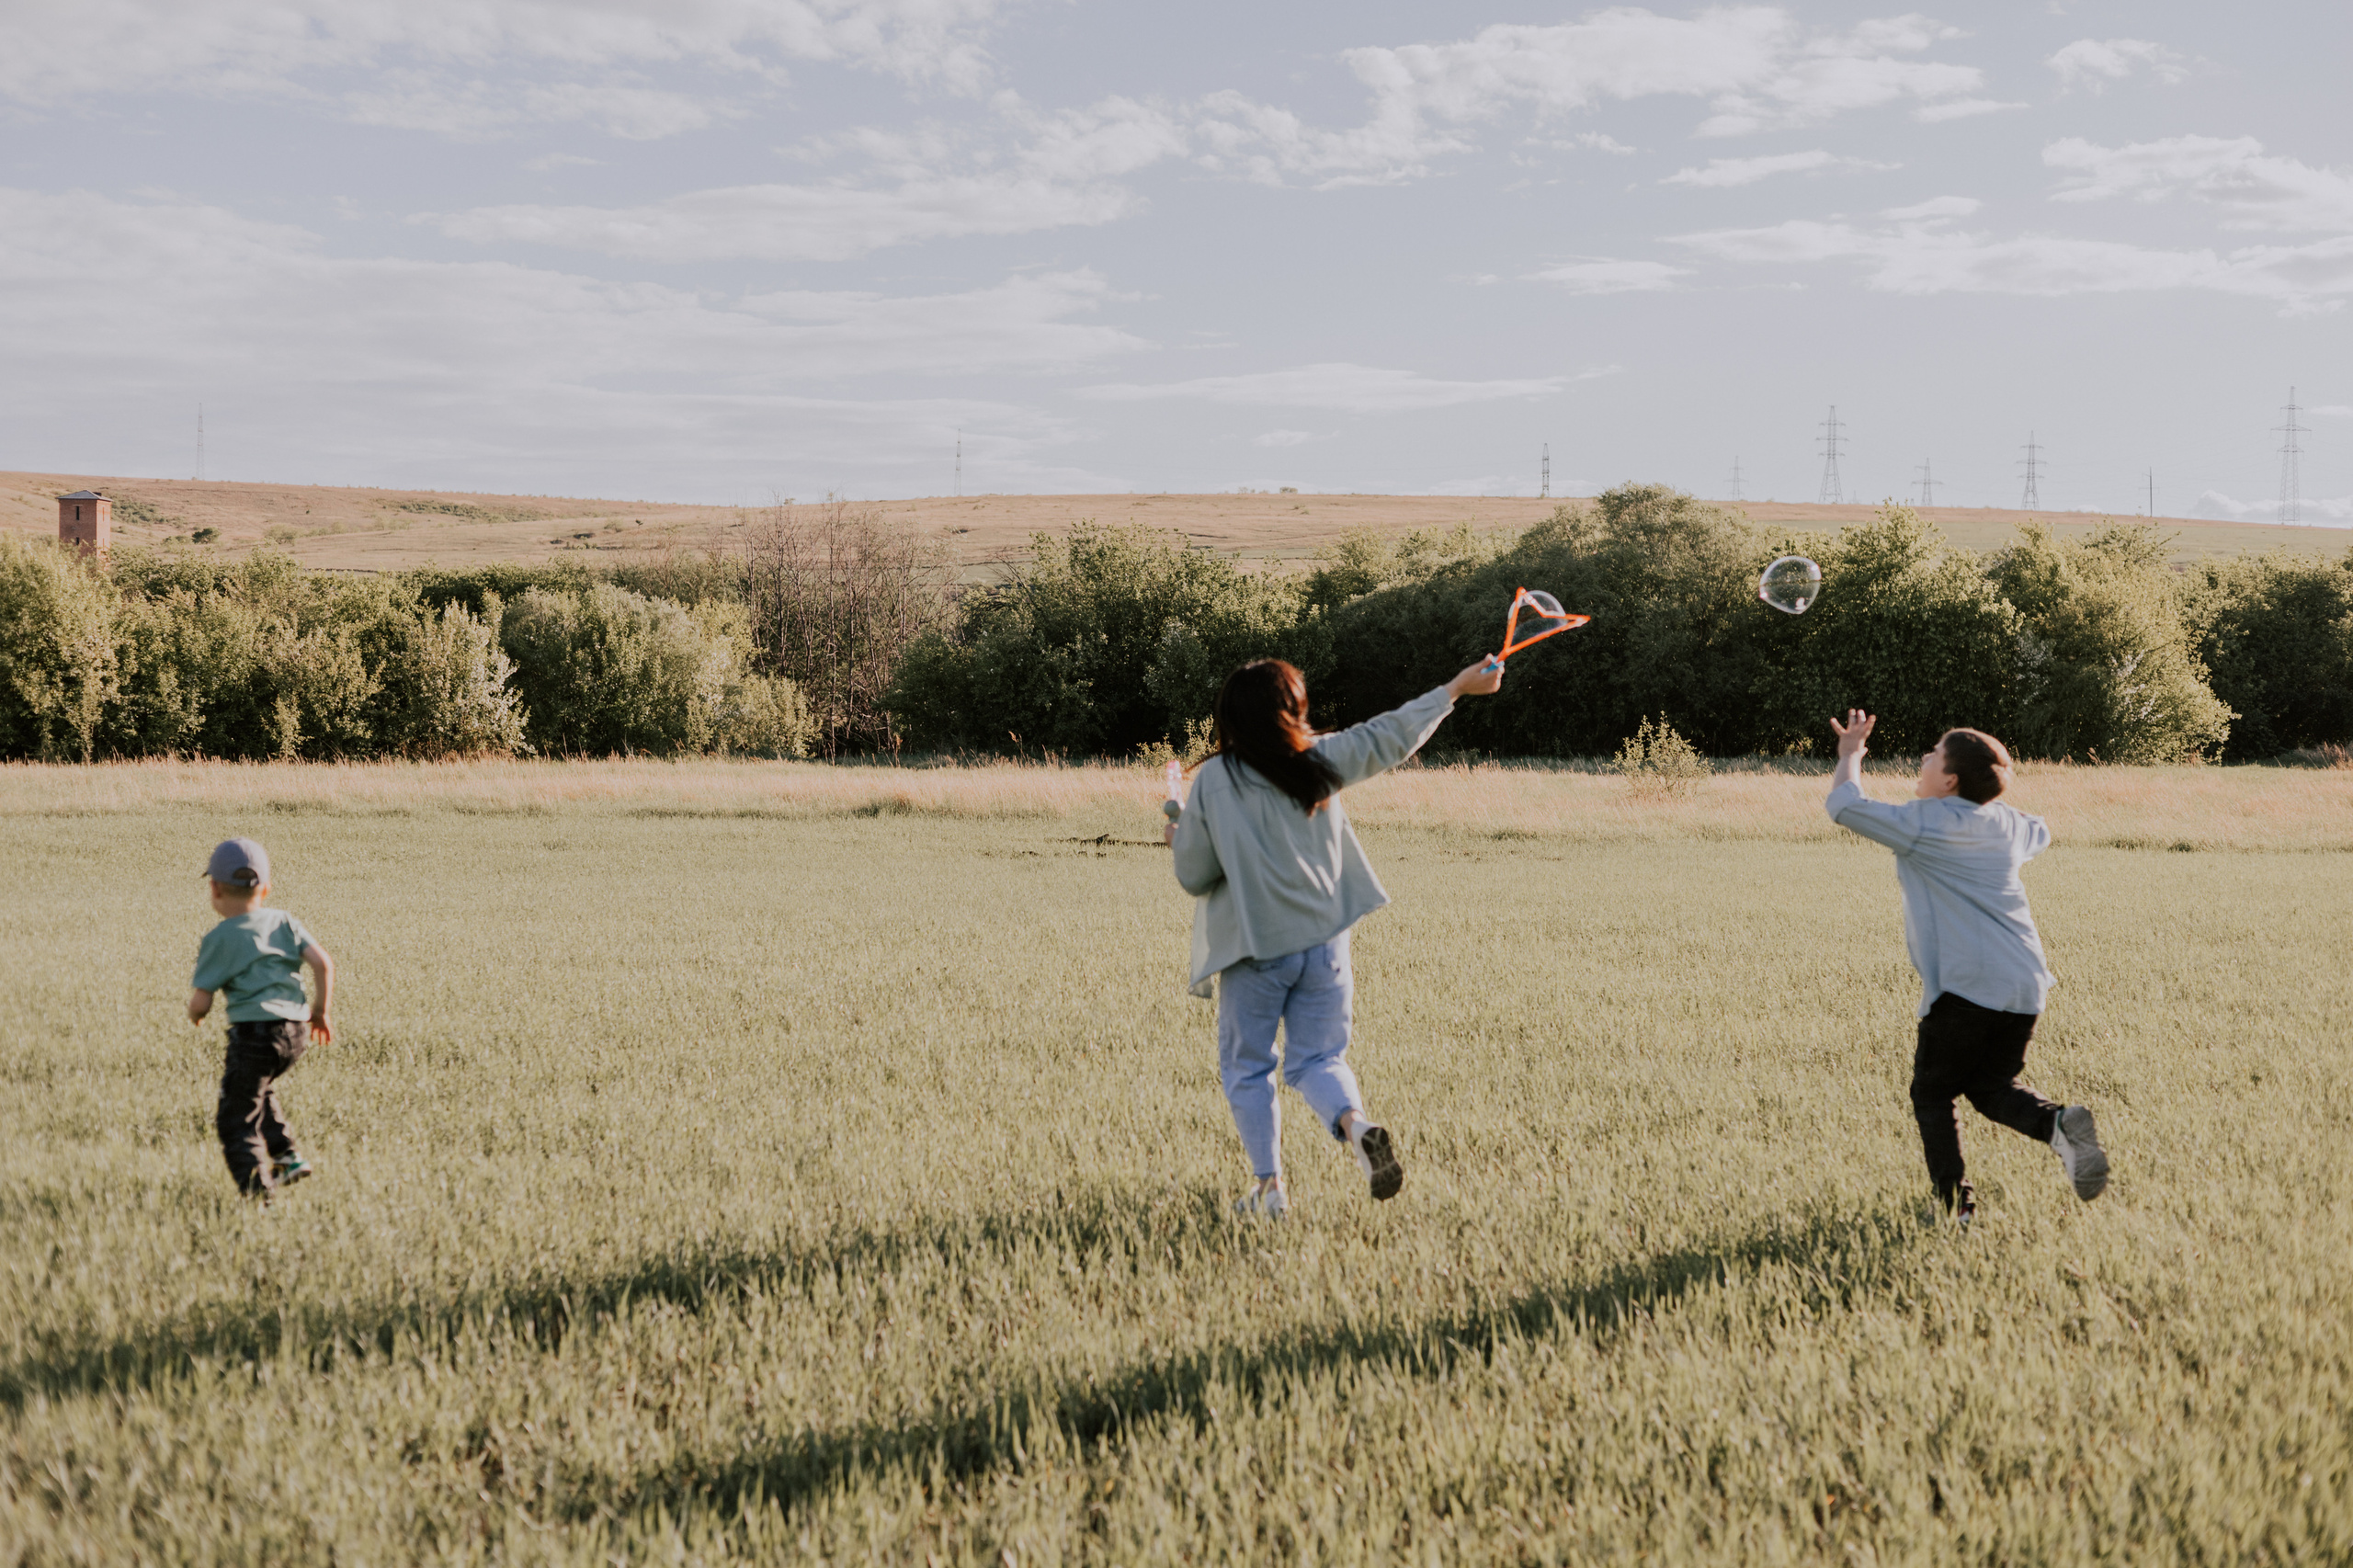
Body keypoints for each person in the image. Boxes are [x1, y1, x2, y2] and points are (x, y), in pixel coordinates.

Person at [1169, 655, 1503, 1217]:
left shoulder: (1215, 782)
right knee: (1318, 1060)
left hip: (1257, 952)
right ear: (1293, 707)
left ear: (1229, 716)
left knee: (1248, 1068)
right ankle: (1358, 1125)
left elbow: (1193, 875)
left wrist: (1178, 832)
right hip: (1326, 945)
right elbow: (1389, 735)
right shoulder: (1318, 758)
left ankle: (1271, 1188)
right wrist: (1455, 688)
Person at [1825, 710, 2108, 1225]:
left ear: (1949, 779)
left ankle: (1957, 1210)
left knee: (1932, 1092)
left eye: (1934, 754)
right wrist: (1991, 800)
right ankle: (2058, 1125)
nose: (1924, 758)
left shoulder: (1925, 823)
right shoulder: (2008, 825)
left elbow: (1845, 806)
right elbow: (2039, 830)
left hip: (1966, 988)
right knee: (1989, 1088)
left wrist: (1850, 756)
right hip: (2025, 985)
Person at [188, 837, 334, 1200]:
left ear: (214, 888)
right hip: (295, 1033)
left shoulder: (219, 938)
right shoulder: (284, 921)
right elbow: (322, 963)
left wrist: (196, 1014)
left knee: (235, 1119)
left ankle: (259, 1198)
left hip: (254, 1035)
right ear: (266, 888)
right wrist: (320, 1012)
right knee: (257, 1088)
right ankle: (286, 1156)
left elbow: (201, 1001)